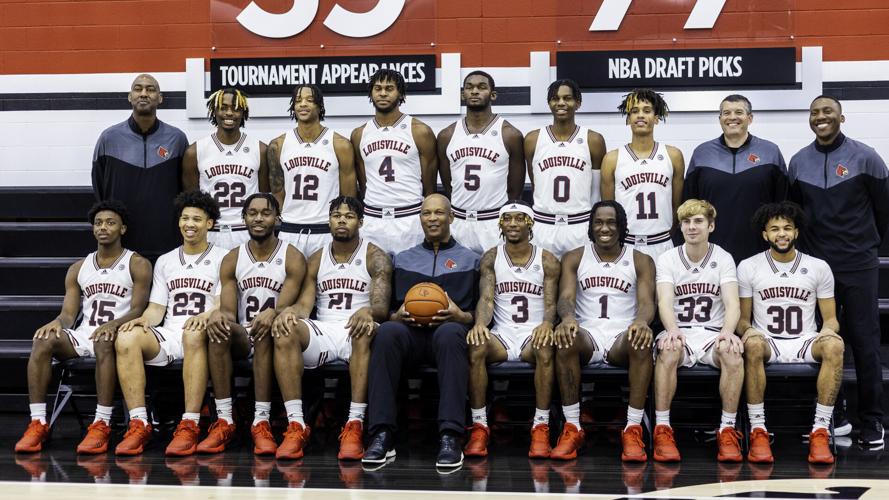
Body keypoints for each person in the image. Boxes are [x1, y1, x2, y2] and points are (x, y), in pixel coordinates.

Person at [789, 95, 889, 446]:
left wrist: (866, 245)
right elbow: (796, 215)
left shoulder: (867, 157)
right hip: (817, 268)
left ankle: (873, 421)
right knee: (822, 342)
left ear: (841, 117)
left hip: (858, 264)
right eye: (814, 113)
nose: (821, 117)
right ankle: (832, 417)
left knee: (865, 343)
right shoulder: (799, 162)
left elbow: (883, 211)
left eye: (827, 111)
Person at [14, 201, 152, 454]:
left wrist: (113, 324)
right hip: (85, 334)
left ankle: (101, 422)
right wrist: (56, 323)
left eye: (110, 223)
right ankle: (38, 422)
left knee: (103, 340)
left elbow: (138, 310)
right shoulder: (79, 268)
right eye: (98, 223)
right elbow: (68, 315)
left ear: (123, 229)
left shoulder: (137, 263)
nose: (103, 228)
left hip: (118, 334)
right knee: (43, 340)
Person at [363, 194, 480, 469]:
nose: (432, 219)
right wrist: (397, 315)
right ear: (420, 218)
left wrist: (461, 315)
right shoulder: (403, 259)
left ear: (451, 217)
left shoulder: (471, 259)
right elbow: (389, 310)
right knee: (387, 332)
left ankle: (451, 436)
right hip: (411, 335)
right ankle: (382, 434)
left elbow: (481, 314)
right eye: (427, 213)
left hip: (449, 334)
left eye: (439, 213)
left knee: (451, 334)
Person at [271, 196, 392, 460]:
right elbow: (304, 304)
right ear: (329, 221)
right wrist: (288, 313)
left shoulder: (375, 255)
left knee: (365, 329)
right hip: (325, 329)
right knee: (285, 329)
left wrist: (368, 310)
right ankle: (296, 424)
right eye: (336, 215)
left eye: (348, 216)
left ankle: (354, 425)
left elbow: (381, 307)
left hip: (356, 329)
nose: (341, 220)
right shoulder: (316, 258)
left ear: (360, 222)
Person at [113, 191, 228, 456]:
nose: (190, 223)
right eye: (185, 218)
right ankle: (139, 423)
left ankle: (189, 423)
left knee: (192, 331)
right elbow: (156, 309)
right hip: (171, 332)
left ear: (209, 224)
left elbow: (224, 304)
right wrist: (141, 322)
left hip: (204, 333)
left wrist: (206, 315)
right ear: (178, 222)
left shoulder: (224, 257)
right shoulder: (165, 261)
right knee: (127, 338)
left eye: (197, 219)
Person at [738, 201, 843, 464]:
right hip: (767, 341)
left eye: (787, 228)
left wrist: (827, 332)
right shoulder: (748, 266)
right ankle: (759, 430)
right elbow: (741, 319)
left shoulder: (818, 267)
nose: (781, 234)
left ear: (796, 232)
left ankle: (820, 430)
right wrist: (749, 331)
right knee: (749, 345)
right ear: (765, 235)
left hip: (805, 340)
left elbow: (830, 319)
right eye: (774, 229)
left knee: (835, 346)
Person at [200, 193, 305, 455]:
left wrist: (275, 311)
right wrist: (216, 316)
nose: (258, 218)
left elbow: (287, 306)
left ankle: (261, 421)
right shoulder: (233, 258)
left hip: (276, 332)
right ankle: (224, 420)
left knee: (269, 329)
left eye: (265, 213)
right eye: (252, 213)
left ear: (277, 219)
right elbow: (227, 311)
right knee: (217, 328)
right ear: (244, 218)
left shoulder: (292, 256)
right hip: (244, 334)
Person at [551, 200, 656, 461]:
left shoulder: (640, 259)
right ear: (590, 226)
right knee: (565, 338)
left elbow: (646, 303)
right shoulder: (575, 257)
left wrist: (642, 321)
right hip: (589, 335)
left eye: (611, 222)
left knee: (641, 341)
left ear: (621, 226)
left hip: (623, 335)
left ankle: (632, 429)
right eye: (598, 222)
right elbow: (565, 297)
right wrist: (566, 318)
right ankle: (573, 427)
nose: (604, 228)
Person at [464, 201, 560, 458]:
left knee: (545, 346)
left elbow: (551, 303)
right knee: (476, 345)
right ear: (500, 224)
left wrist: (547, 324)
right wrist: (480, 325)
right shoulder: (492, 257)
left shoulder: (547, 259)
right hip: (504, 332)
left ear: (530, 224)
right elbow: (486, 299)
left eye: (519, 219)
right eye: (507, 219)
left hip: (533, 333)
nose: (513, 224)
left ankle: (541, 426)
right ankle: (479, 425)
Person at [652, 199, 742, 463]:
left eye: (698, 221)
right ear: (680, 227)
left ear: (711, 226)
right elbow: (664, 302)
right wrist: (672, 330)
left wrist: (727, 332)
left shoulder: (723, 257)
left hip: (713, 332)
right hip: (681, 331)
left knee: (733, 353)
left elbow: (732, 303)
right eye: (687, 222)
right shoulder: (668, 258)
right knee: (668, 349)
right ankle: (662, 428)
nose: (692, 227)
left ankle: (727, 429)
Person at [92, 74, 189, 261]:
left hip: (167, 242)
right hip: (122, 244)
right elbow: (100, 190)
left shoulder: (177, 139)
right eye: (138, 89)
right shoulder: (108, 138)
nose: (144, 94)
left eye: (150, 89)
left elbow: (185, 190)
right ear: (130, 97)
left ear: (160, 98)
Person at [683, 94, 788, 262]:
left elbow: (783, 205)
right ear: (720, 119)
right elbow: (689, 207)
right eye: (726, 113)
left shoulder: (771, 152)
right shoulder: (701, 153)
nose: (732, 117)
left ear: (750, 118)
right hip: (711, 253)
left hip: (761, 253)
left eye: (739, 112)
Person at [437, 71, 526, 254]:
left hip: (493, 221)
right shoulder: (447, 135)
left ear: (493, 94)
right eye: (469, 87)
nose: (475, 91)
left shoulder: (510, 134)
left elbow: (515, 190)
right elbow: (448, 184)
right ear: (463, 94)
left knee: (493, 279)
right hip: (459, 221)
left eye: (481, 87)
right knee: (459, 280)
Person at [352, 69, 439, 255]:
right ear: (371, 93)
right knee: (373, 281)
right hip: (373, 220)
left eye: (389, 88)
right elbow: (363, 182)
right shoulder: (359, 134)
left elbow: (429, 186)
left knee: (410, 281)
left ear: (400, 93)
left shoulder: (419, 131)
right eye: (378, 88)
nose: (383, 93)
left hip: (409, 219)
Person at [269, 84, 357, 258]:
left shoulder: (340, 144)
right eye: (298, 101)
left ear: (320, 106)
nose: (303, 104)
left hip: (325, 229)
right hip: (290, 229)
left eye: (309, 100)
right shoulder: (278, 145)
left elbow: (348, 196)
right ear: (293, 107)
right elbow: (277, 191)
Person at [525, 79, 606, 258]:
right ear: (549, 103)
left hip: (580, 224)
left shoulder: (593, 140)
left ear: (578, 103)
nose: (561, 103)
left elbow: (596, 189)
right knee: (543, 283)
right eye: (555, 98)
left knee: (579, 284)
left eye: (567, 98)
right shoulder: (533, 139)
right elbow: (536, 181)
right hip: (543, 224)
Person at [601, 89, 683, 260]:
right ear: (628, 118)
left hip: (662, 243)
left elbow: (677, 206)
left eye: (647, 111)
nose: (640, 115)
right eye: (634, 111)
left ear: (657, 118)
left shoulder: (673, 155)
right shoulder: (612, 158)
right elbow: (608, 209)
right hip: (626, 244)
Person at [182, 88, 268, 250]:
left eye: (236, 109)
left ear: (244, 113)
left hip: (247, 231)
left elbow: (264, 198)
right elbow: (192, 200)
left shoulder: (260, 149)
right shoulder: (195, 151)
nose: (229, 113)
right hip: (211, 231)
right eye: (223, 107)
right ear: (214, 111)